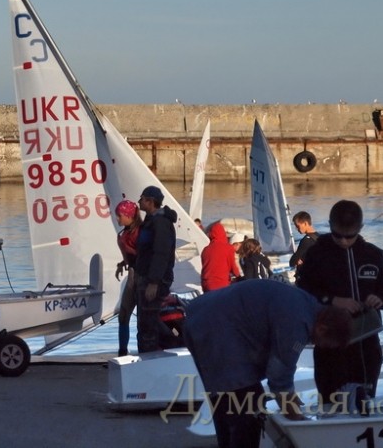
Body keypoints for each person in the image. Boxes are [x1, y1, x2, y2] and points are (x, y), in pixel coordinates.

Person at [183, 280, 352, 448]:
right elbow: (279, 374)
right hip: (218, 327)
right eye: (325, 344)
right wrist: (294, 414)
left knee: (227, 403)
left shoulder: (307, 306)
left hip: (203, 316)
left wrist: (289, 398)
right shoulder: (297, 323)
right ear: (322, 329)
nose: (320, 346)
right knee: (246, 405)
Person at [295, 199, 383, 404]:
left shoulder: (374, 254)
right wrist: (333, 300)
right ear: (330, 226)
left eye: (350, 236)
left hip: (366, 339)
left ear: (360, 228)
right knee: (331, 399)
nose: (344, 241)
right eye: (338, 235)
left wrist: (380, 298)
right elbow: (303, 289)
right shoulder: (317, 254)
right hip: (330, 339)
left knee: (365, 398)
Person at [133, 185, 177, 353]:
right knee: (145, 321)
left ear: (150, 202)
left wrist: (154, 282)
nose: (139, 202)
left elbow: (161, 253)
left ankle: (158, 352)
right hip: (146, 276)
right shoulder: (150, 221)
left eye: (142, 199)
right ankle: (148, 353)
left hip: (155, 280)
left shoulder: (160, 223)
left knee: (149, 321)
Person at [113, 199, 142, 356]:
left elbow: (144, 255)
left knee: (143, 318)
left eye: (120, 215)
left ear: (129, 216)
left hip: (142, 277)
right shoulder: (124, 233)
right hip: (132, 275)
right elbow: (131, 255)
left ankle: (146, 350)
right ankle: (122, 351)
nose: (117, 219)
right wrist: (122, 263)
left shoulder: (141, 232)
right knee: (124, 315)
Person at [200, 221, 241, 292]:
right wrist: (239, 277)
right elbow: (233, 267)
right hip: (221, 283)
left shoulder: (205, 249)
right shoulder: (228, 248)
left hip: (206, 283)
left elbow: (205, 266)